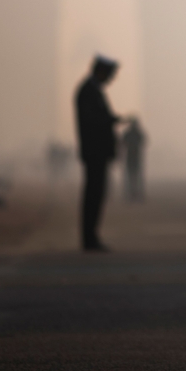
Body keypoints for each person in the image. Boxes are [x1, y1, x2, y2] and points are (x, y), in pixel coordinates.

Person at [75, 55, 121, 252]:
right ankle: (89, 238)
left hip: (97, 151)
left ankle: (91, 236)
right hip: (95, 151)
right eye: (110, 75)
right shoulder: (89, 91)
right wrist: (109, 120)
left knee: (96, 194)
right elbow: (91, 120)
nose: (111, 79)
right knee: (93, 195)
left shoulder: (91, 89)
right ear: (101, 71)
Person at [122, 117, 146, 202]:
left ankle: (133, 194)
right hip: (134, 157)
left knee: (132, 176)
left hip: (132, 157)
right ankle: (135, 194)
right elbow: (143, 142)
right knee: (135, 176)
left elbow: (123, 143)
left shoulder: (129, 133)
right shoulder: (138, 133)